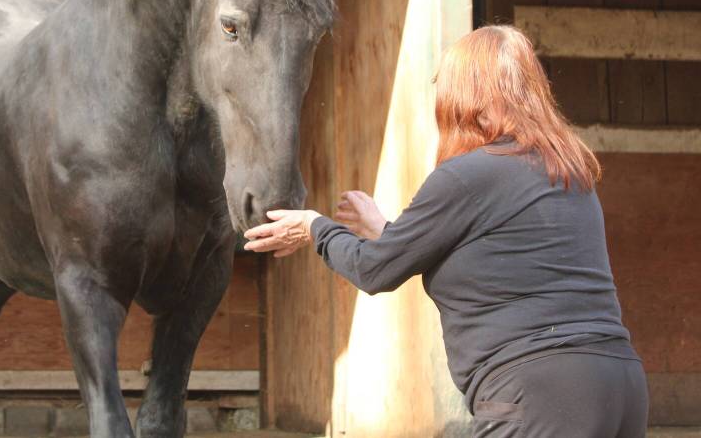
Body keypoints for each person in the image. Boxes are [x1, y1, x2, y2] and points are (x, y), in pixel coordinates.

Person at [243, 25, 648, 438]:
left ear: (470, 99)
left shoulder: (467, 176)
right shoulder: (570, 173)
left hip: (538, 391)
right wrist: (386, 230)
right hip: (621, 384)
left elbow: (373, 270)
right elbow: (494, 259)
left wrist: (316, 227)